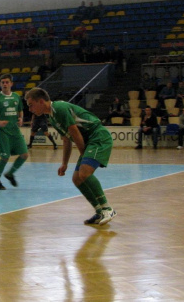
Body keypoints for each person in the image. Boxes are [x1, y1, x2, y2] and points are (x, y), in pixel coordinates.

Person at [24, 87, 116, 226]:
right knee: (77, 179)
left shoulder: (59, 108)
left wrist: (83, 155)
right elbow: (67, 139)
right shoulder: (51, 116)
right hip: (89, 141)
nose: (30, 109)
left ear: (41, 101)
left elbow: (74, 132)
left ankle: (107, 208)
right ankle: (99, 212)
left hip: (98, 137)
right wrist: (64, 163)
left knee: (84, 173)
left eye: (31, 105)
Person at [0, 73, 28, 190]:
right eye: (3, 82)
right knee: (5, 157)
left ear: (11, 84)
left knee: (24, 154)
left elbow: (20, 110)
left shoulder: (16, 97)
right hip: (3, 132)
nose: (5, 84)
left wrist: (21, 118)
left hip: (15, 131)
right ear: (0, 84)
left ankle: (10, 174)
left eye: (7, 82)